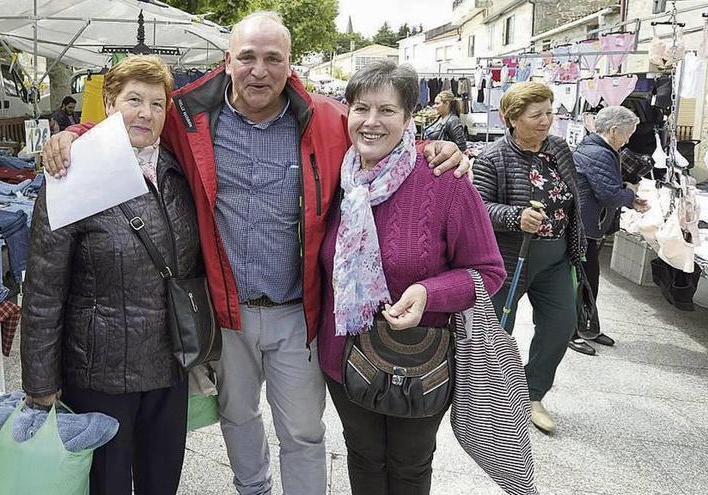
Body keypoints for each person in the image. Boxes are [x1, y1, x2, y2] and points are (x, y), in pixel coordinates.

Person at [41, 11, 469, 494]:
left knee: (304, 431)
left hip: (298, 313)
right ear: (228, 62)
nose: (259, 70)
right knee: (237, 417)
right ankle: (254, 489)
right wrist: (74, 136)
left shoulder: (325, 118)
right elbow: (134, 124)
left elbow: (380, 134)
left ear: (290, 65)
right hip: (229, 313)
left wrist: (439, 148)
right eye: (247, 57)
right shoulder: (190, 117)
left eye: (273, 59)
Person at [318, 61, 505, 494]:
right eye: (361, 108)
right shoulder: (336, 176)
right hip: (343, 354)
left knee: (409, 467)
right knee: (362, 457)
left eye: (386, 110)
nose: (371, 121)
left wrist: (428, 291)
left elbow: (489, 271)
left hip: (420, 361)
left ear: (408, 118)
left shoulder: (444, 180)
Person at [20, 56, 199, 495]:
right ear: (108, 101)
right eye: (134, 100)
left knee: (162, 481)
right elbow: (43, 286)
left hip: (169, 364)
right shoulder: (72, 172)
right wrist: (40, 382)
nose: (146, 113)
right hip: (101, 372)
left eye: (158, 104)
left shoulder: (177, 170)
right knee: (108, 484)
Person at [472, 82, 587, 435]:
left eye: (550, 112)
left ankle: (533, 393)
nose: (546, 121)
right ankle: (487, 400)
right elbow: (478, 208)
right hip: (510, 258)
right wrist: (514, 216)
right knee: (497, 332)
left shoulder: (558, 149)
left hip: (555, 257)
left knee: (560, 325)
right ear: (511, 118)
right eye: (536, 115)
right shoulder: (493, 158)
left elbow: (572, 194)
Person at [568, 106, 650, 356]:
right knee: (583, 280)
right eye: (628, 133)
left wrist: (627, 198)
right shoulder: (599, 153)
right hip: (584, 228)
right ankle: (573, 331)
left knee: (589, 279)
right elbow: (610, 194)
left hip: (588, 226)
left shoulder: (600, 150)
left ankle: (586, 326)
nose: (628, 139)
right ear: (614, 130)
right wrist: (631, 193)